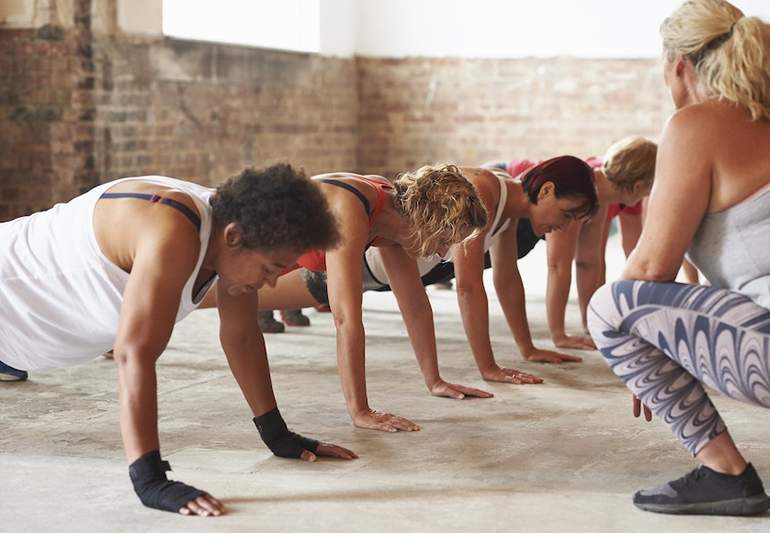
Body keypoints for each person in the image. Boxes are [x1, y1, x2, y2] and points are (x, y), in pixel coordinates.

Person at [0, 164, 358, 516]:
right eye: (270, 268)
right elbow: (133, 352)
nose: (273, 283)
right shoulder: (171, 225)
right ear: (234, 236)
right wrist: (150, 479)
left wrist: (277, 435)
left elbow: (242, 336)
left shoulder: (229, 238)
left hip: (24, 335)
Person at [587, 0, 770, 516]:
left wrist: (640, 357)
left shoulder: (696, 125)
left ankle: (725, 473)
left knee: (610, 306)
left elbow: (647, 270)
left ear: (677, 64)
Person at [203, 164, 492, 433]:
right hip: (224, 242)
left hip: (266, 263)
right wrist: (360, 411)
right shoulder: (354, 209)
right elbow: (345, 318)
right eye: (444, 241)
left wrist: (435, 381)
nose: (442, 254)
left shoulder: (391, 215)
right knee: (194, 301)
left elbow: (415, 305)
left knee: (204, 300)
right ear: (427, 221)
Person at [367, 157, 600, 384]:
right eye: (566, 214)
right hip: (365, 262)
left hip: (383, 276)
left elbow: (507, 279)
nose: (565, 226)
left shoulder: (509, 204)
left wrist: (528, 348)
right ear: (546, 191)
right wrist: (489, 368)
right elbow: (467, 287)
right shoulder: (483, 189)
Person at [508, 139, 656, 351]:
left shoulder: (600, 198)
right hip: (502, 179)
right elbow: (557, 266)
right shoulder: (579, 191)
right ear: (638, 186)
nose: (646, 197)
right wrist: (558, 334)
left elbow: (589, 262)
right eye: (648, 192)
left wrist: (592, 324)